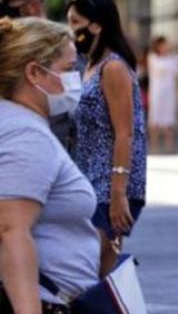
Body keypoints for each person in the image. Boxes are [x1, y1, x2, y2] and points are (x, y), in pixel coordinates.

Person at [0, 17, 100, 312]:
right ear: (34, 72)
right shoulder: (25, 133)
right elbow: (10, 229)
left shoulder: (15, 121)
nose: (75, 79)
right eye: (68, 69)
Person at [66, 0, 147, 277]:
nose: (71, 29)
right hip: (88, 178)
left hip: (110, 182)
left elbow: (125, 132)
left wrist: (118, 192)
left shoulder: (112, 67)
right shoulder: (87, 66)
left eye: (76, 22)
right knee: (90, 273)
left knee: (96, 272)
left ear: (97, 25)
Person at [0, 0, 79, 160]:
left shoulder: (65, 47)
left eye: (5, 0)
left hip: (52, 153)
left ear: (34, 6)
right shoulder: (8, 45)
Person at [148, 35, 178, 153]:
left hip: (170, 94)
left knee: (169, 120)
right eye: (163, 45)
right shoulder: (153, 58)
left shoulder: (172, 59)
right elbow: (163, 69)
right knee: (155, 119)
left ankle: (169, 146)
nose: (166, 47)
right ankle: (154, 146)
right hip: (157, 94)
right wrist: (177, 61)